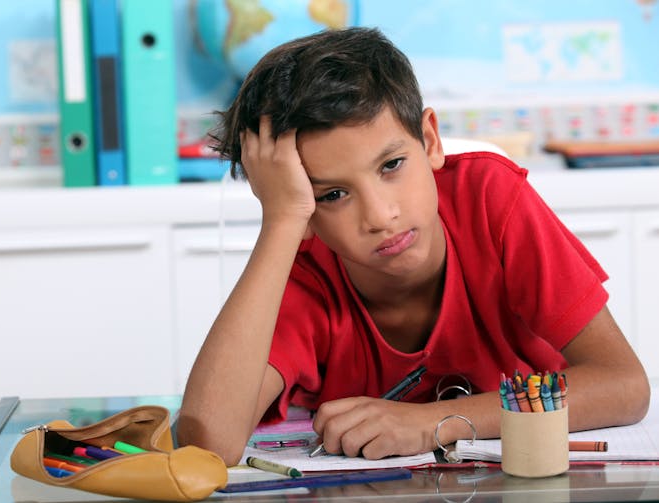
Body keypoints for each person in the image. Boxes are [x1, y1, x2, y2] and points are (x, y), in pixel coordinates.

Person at [176, 27, 650, 466]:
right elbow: (205, 445)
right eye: (332, 195)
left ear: (429, 141)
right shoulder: (305, 273)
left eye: (392, 165)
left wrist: (431, 424)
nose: (381, 216)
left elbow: (624, 385)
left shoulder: (489, 199)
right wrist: (280, 222)